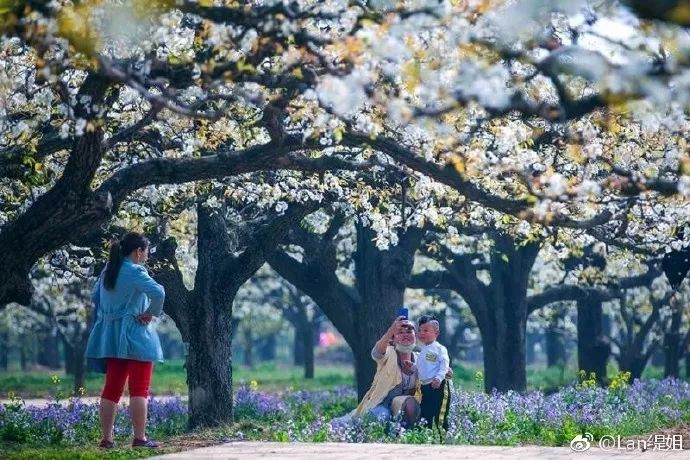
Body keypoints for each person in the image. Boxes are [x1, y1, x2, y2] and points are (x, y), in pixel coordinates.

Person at [85, 231, 165, 449]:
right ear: (138, 252)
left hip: (110, 336)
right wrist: (149, 313)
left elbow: (95, 297)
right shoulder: (136, 271)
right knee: (140, 389)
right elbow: (159, 292)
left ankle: (107, 439)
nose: (147, 257)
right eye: (146, 252)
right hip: (135, 335)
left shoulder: (107, 271)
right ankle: (140, 439)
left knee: (111, 388)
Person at [335, 316, 422, 426]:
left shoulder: (420, 358)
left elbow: (434, 374)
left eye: (409, 332)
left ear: (415, 337)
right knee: (380, 416)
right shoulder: (389, 352)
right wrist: (391, 330)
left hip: (403, 406)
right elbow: (376, 353)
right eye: (400, 332)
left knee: (411, 404)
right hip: (381, 404)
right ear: (392, 339)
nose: (405, 334)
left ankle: (407, 436)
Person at [416, 314, 451, 434]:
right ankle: (427, 439)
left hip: (439, 386)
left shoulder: (439, 349)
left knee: (439, 415)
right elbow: (422, 368)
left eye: (426, 330)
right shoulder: (422, 351)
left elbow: (444, 365)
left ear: (436, 333)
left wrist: (439, 378)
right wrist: (412, 367)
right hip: (425, 387)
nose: (422, 333)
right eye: (420, 330)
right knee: (426, 414)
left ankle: (444, 439)